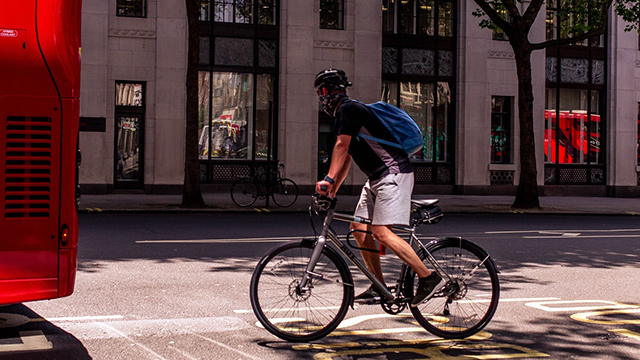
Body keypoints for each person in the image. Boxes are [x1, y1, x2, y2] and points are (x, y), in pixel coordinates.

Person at [314, 68, 446, 307]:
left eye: (321, 92)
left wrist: (329, 180)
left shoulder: (348, 109)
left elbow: (341, 147)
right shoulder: (345, 115)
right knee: (359, 228)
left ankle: (429, 277)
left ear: (329, 91)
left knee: (380, 232)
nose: (321, 98)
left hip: (394, 174)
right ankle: (378, 285)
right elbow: (348, 157)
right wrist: (334, 187)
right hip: (377, 178)